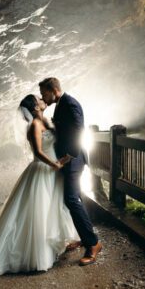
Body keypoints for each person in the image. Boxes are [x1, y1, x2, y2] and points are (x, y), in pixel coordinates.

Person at [0, 95, 79, 279]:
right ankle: (34, 255)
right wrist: (55, 164)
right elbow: (38, 152)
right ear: (35, 106)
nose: (43, 99)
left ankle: (56, 244)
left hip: (52, 171)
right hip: (42, 170)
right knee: (36, 212)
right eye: (39, 99)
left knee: (52, 207)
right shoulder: (35, 125)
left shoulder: (45, 120)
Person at [39, 77, 102, 265]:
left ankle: (93, 244)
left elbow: (78, 132)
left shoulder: (70, 103)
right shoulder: (60, 104)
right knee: (75, 198)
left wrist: (69, 156)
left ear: (53, 90)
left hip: (73, 161)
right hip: (67, 161)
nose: (43, 97)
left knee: (71, 199)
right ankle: (86, 236)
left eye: (44, 93)